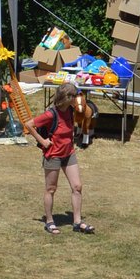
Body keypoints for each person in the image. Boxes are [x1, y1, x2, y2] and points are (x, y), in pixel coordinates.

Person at [30, 84, 92, 234]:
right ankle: (49, 221)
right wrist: (43, 141)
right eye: (74, 96)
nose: (77, 98)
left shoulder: (71, 110)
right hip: (53, 155)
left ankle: (77, 222)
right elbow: (29, 125)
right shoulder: (51, 114)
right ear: (67, 97)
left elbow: (86, 114)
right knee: (51, 188)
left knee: (77, 186)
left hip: (69, 153)